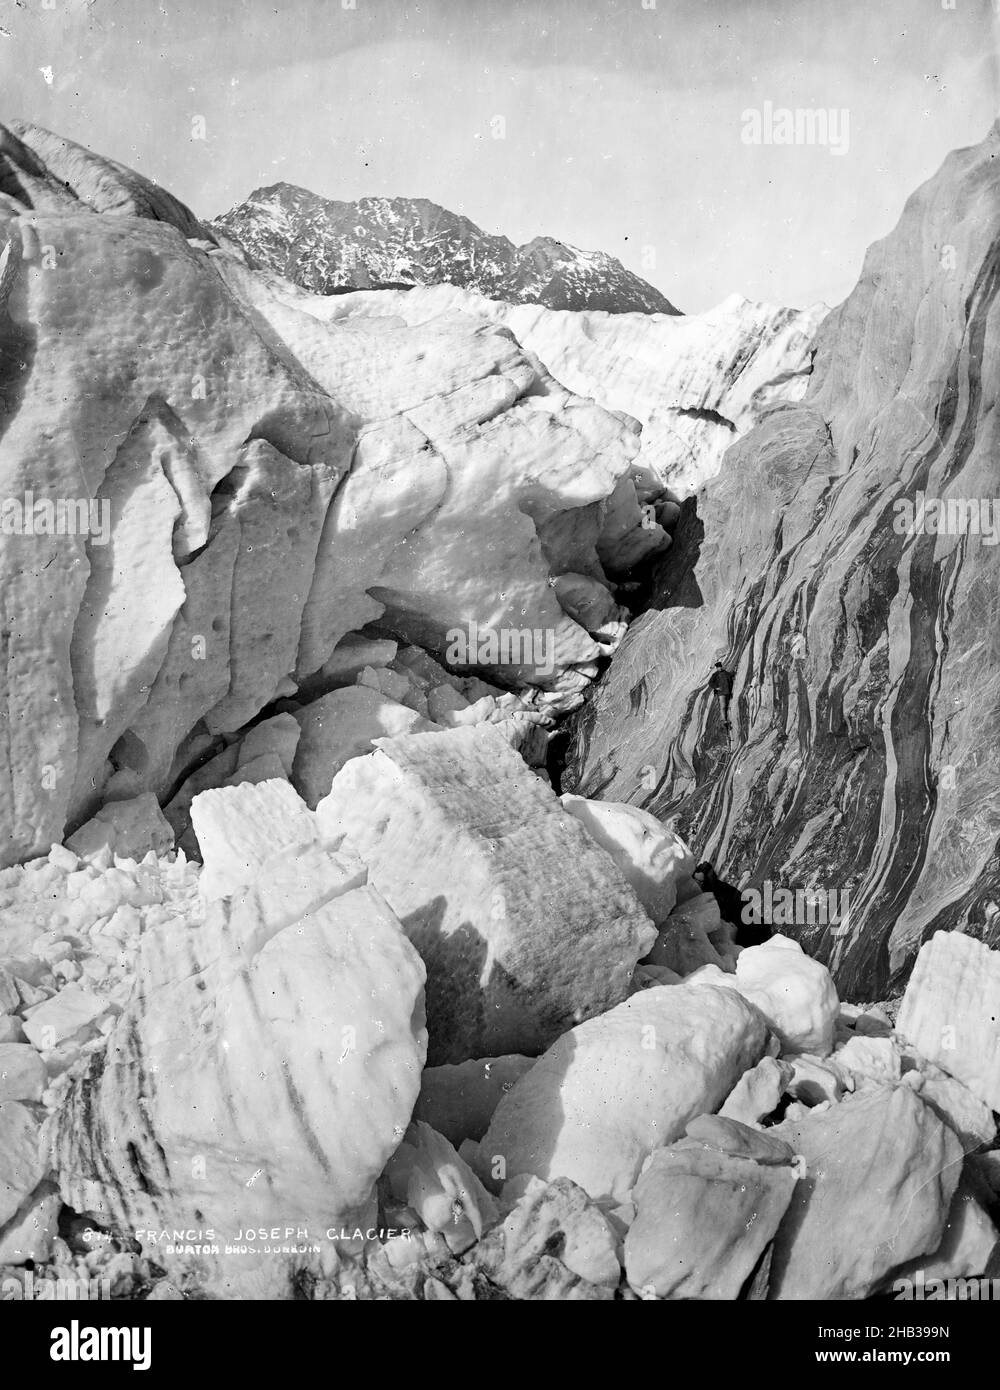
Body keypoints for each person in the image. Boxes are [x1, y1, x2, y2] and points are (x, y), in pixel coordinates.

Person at [708, 661, 734, 725]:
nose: (719, 668)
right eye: (718, 667)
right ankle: (724, 720)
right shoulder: (715, 674)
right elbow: (710, 683)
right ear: (716, 668)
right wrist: (716, 687)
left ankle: (726, 718)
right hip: (721, 693)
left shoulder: (726, 673)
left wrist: (735, 672)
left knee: (727, 706)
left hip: (727, 692)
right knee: (723, 706)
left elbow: (731, 675)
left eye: (720, 667)